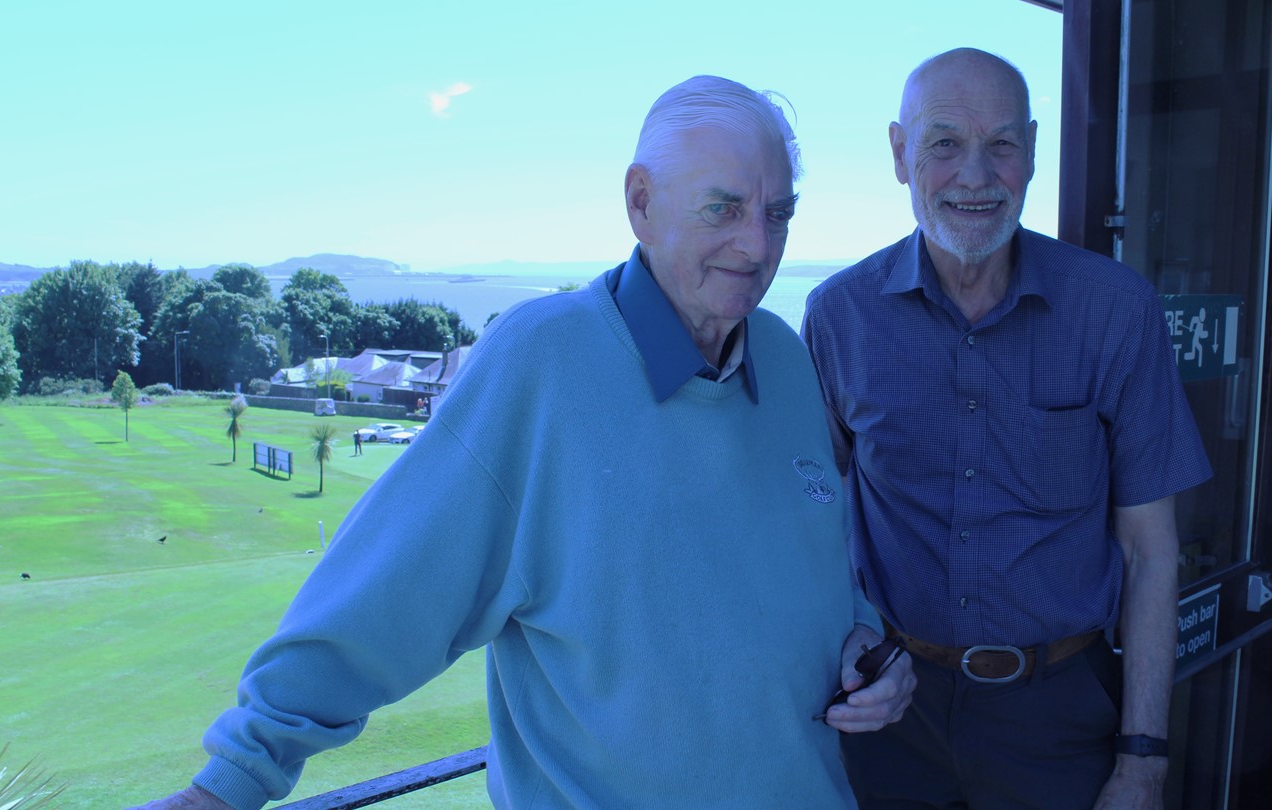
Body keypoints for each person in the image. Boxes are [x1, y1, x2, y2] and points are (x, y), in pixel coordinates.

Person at [129, 75, 912, 810]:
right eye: (724, 208)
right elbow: (386, 591)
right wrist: (234, 778)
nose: (756, 244)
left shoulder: (781, 354)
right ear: (640, 202)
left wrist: (865, 644)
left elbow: (819, 568)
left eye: (779, 214)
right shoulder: (544, 360)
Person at [801, 48, 1212, 810]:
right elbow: (812, 526)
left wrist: (1144, 763)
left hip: (1060, 723)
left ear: (1032, 151)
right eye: (944, 143)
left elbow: (1150, 551)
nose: (976, 175)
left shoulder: (1116, 311)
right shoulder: (838, 316)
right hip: (892, 713)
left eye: (1002, 145)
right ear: (900, 154)